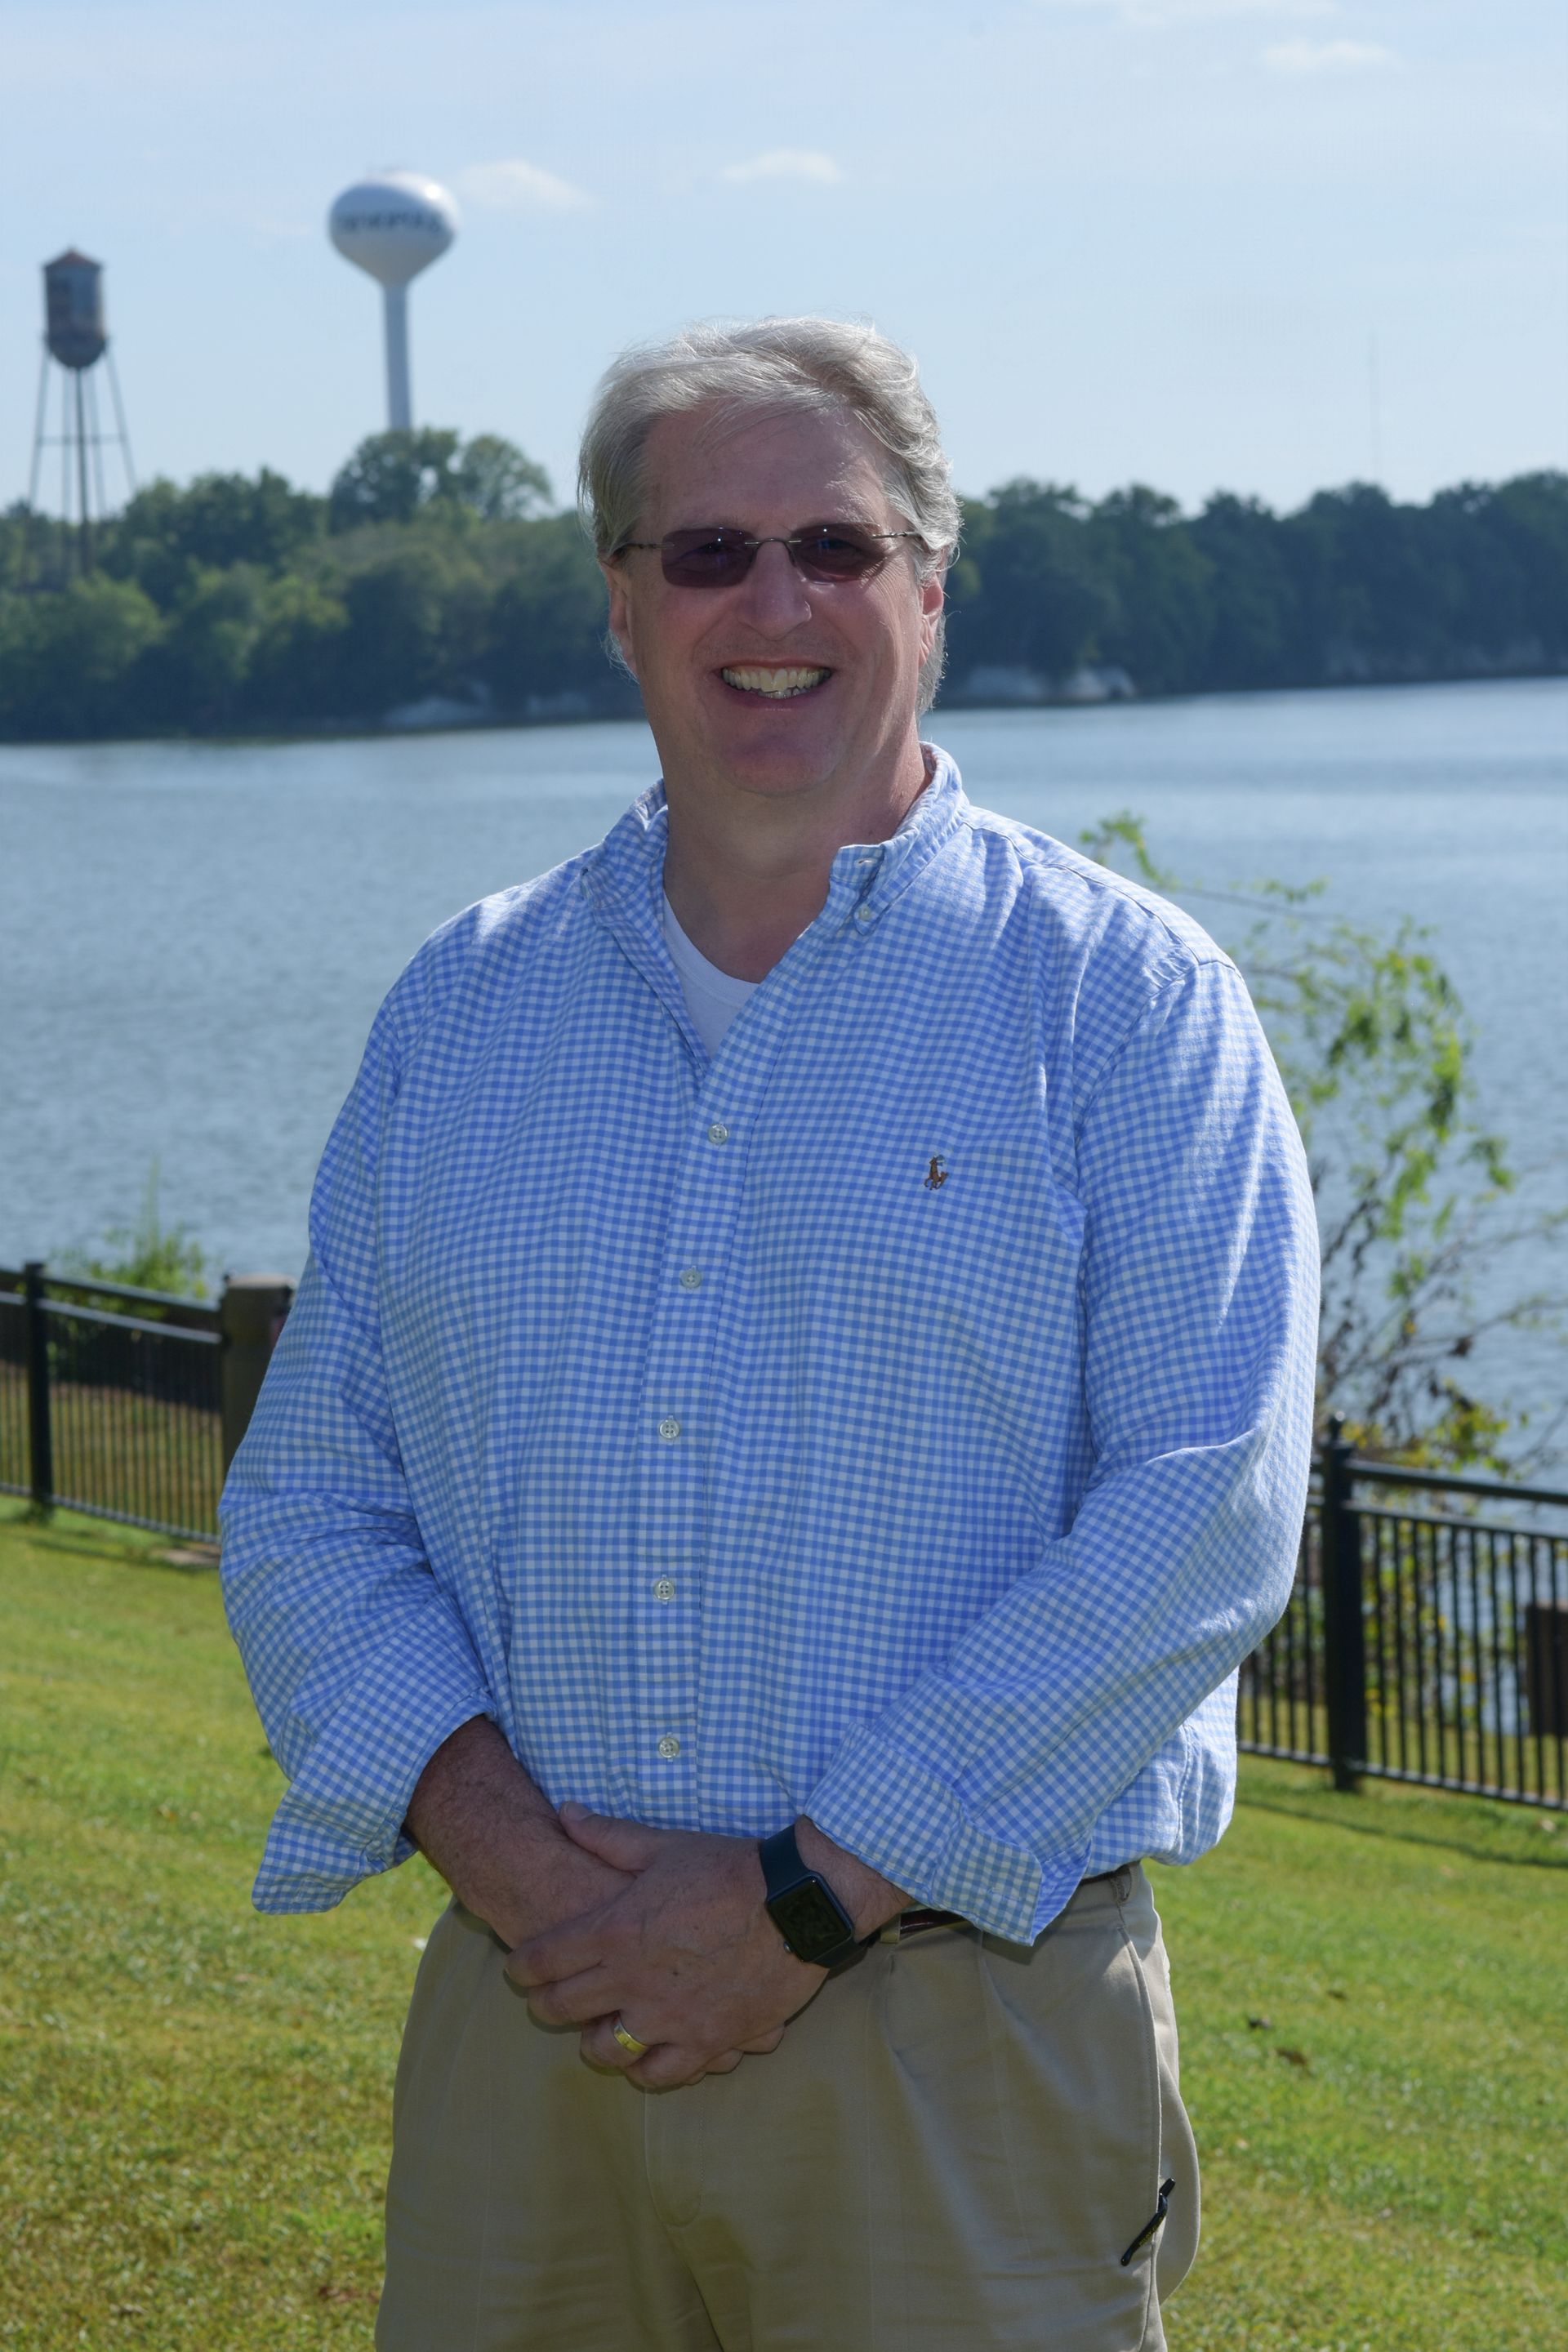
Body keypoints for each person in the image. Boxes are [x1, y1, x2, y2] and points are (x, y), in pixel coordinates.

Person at [220, 316, 1319, 2352]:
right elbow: (308, 1508)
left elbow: (1204, 1516)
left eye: (834, 541)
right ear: (622, 602)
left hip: (958, 2043)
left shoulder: (1123, 1006)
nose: (774, 603)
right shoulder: (462, 1014)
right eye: (707, 552)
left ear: (929, 583)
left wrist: (800, 1903)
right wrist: (538, 1886)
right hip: (533, 2033)